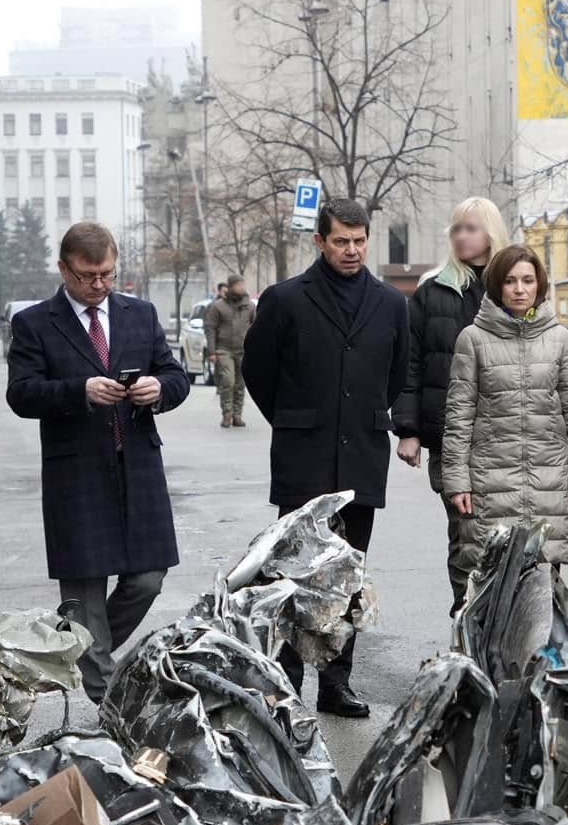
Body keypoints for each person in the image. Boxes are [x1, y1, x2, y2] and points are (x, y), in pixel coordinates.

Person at [6, 222, 191, 702]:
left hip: (138, 465)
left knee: (148, 579)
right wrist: (79, 391)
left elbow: (175, 375)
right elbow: (21, 395)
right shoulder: (35, 323)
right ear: (64, 269)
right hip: (77, 472)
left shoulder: (140, 314)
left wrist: (159, 390)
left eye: (107, 274)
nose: (99, 285)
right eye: (87, 276)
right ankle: (111, 700)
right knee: (84, 590)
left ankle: (82, 646)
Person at [243, 199, 411, 718]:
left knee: (348, 577)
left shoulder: (390, 304)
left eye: (360, 241)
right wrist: (295, 418)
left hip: (361, 457)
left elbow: (398, 374)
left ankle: (336, 684)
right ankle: (286, 685)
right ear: (319, 241)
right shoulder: (286, 299)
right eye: (341, 241)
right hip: (303, 458)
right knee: (293, 576)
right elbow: (258, 371)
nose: (352, 250)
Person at [442, 244, 568, 574]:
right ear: (497, 285)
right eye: (510, 281)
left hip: (550, 481)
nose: (519, 289)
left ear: (539, 284)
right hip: (490, 482)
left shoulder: (559, 339)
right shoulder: (472, 339)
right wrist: (457, 481)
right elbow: (459, 417)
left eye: (528, 280)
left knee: (543, 591)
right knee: (493, 589)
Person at [395, 197, 508, 609]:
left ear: (491, 233)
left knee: (509, 540)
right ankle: (468, 633)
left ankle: (504, 639)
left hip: (508, 437)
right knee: (467, 541)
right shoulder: (432, 291)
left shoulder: (514, 285)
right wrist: (408, 430)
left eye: (471, 228)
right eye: (457, 228)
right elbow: (410, 362)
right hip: (452, 439)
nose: (461, 236)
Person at [204, 275, 256, 427]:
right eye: (238, 285)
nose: (242, 288)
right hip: (223, 349)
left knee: (240, 384)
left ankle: (237, 415)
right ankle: (227, 414)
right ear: (231, 287)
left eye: (243, 284)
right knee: (228, 381)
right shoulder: (218, 306)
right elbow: (210, 328)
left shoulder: (250, 306)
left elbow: (257, 327)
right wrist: (212, 351)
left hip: (243, 350)